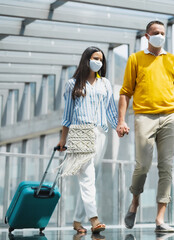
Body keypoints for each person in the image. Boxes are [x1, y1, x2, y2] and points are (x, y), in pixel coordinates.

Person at [116, 20, 174, 232]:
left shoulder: (172, 60)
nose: (160, 35)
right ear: (147, 36)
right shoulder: (135, 59)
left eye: (162, 32)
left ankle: (160, 219)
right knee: (142, 164)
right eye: (155, 32)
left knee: (166, 167)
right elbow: (125, 92)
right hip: (144, 117)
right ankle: (135, 201)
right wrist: (121, 120)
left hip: (170, 116)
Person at [56, 46, 118, 235]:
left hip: (100, 134)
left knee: (90, 179)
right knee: (87, 178)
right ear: (86, 59)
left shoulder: (105, 83)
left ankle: (76, 221)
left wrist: (119, 126)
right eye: (94, 58)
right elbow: (67, 116)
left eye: (101, 59)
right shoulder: (72, 84)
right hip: (79, 133)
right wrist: (63, 140)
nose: (98, 62)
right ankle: (94, 219)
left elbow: (110, 110)